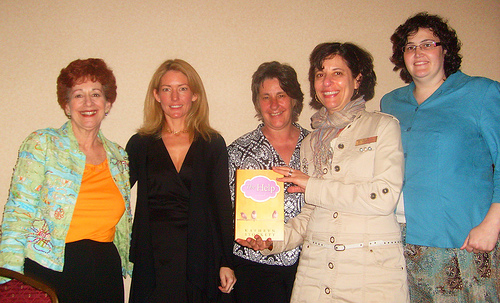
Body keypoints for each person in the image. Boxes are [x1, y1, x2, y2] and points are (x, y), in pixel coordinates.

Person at [238, 42, 409, 302]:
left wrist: (312, 185)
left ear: (357, 79)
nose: (327, 82)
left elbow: (383, 197)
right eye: (320, 74)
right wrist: (272, 241)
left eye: (337, 73)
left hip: (371, 273)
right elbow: (310, 215)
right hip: (316, 273)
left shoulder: (382, 127)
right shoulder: (310, 143)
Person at [381, 12, 500, 302]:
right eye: (410, 46)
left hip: (463, 239)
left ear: (445, 50)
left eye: (428, 44)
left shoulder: (481, 92)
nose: (418, 52)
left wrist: (493, 223)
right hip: (401, 237)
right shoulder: (391, 102)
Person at [0, 58, 132, 302]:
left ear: (108, 103)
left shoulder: (119, 157)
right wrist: (9, 280)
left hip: (105, 272)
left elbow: (125, 226)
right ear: (66, 105)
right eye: (78, 95)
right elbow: (17, 214)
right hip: (50, 271)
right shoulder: (43, 144)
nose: (88, 103)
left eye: (96, 94)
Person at [127, 59, 236, 302]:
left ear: (195, 94)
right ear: (156, 95)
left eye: (183, 88)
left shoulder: (212, 143)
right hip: (154, 257)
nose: (175, 97)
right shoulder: (140, 144)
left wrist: (226, 262)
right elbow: (114, 191)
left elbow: (222, 206)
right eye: (167, 89)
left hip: (200, 253)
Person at [227, 61, 310, 302]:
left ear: (294, 99)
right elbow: (223, 213)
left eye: (281, 95)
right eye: (265, 97)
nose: (274, 105)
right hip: (255, 268)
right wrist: (239, 235)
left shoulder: (317, 145)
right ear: (257, 102)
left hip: (310, 266)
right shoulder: (237, 152)